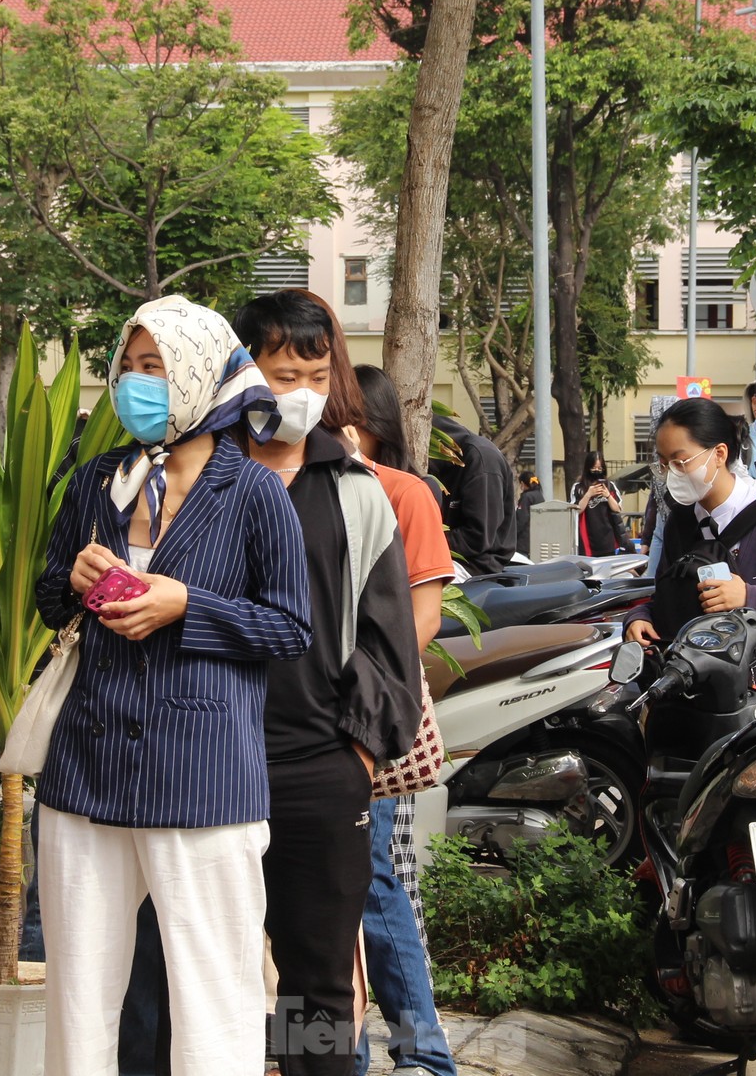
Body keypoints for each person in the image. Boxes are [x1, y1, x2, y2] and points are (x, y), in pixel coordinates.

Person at [36, 294, 312, 1076]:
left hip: (204, 777)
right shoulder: (97, 482)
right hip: (86, 770)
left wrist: (187, 604)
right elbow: (50, 595)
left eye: (154, 367)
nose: (135, 382)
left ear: (199, 377)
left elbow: (291, 628)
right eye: (128, 366)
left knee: (216, 998)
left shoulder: (253, 492)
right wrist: (77, 577)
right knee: (79, 999)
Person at [233, 291, 424, 1076]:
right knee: (200, 971)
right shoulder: (196, 480)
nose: (301, 391)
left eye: (316, 372)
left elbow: (391, 639)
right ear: (243, 372)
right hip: (204, 764)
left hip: (318, 766)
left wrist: (360, 754)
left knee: (314, 984)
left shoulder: (354, 488)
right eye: (283, 374)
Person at [347, 363, 458, 1076]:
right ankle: (334, 1055)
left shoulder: (400, 492)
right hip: (283, 726)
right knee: (310, 904)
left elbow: (424, 613)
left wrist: (363, 691)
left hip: (362, 721)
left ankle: (423, 1052)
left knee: (367, 880)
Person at [623, 398, 756, 727]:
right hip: (712, 708)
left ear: (720, 454)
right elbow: (666, 597)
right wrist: (640, 618)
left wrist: (750, 598)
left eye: (681, 461)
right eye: (663, 463)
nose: (671, 473)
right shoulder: (680, 525)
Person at [428, 412, 515, 576]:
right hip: (444, 557)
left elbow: (477, 537)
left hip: (475, 565)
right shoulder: (437, 465)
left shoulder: (480, 459)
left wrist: (424, 542)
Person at [569, 450, 632, 556]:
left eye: (599, 468)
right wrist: (588, 494)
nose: (596, 471)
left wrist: (608, 495)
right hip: (587, 539)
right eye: (593, 468)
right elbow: (575, 511)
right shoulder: (578, 487)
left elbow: (617, 508)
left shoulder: (610, 485)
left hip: (608, 538)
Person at [513, 470, 544, 560]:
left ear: (522, 483)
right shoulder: (539, 495)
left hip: (523, 541)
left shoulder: (526, 497)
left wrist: (512, 534)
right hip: (535, 539)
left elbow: (521, 519)